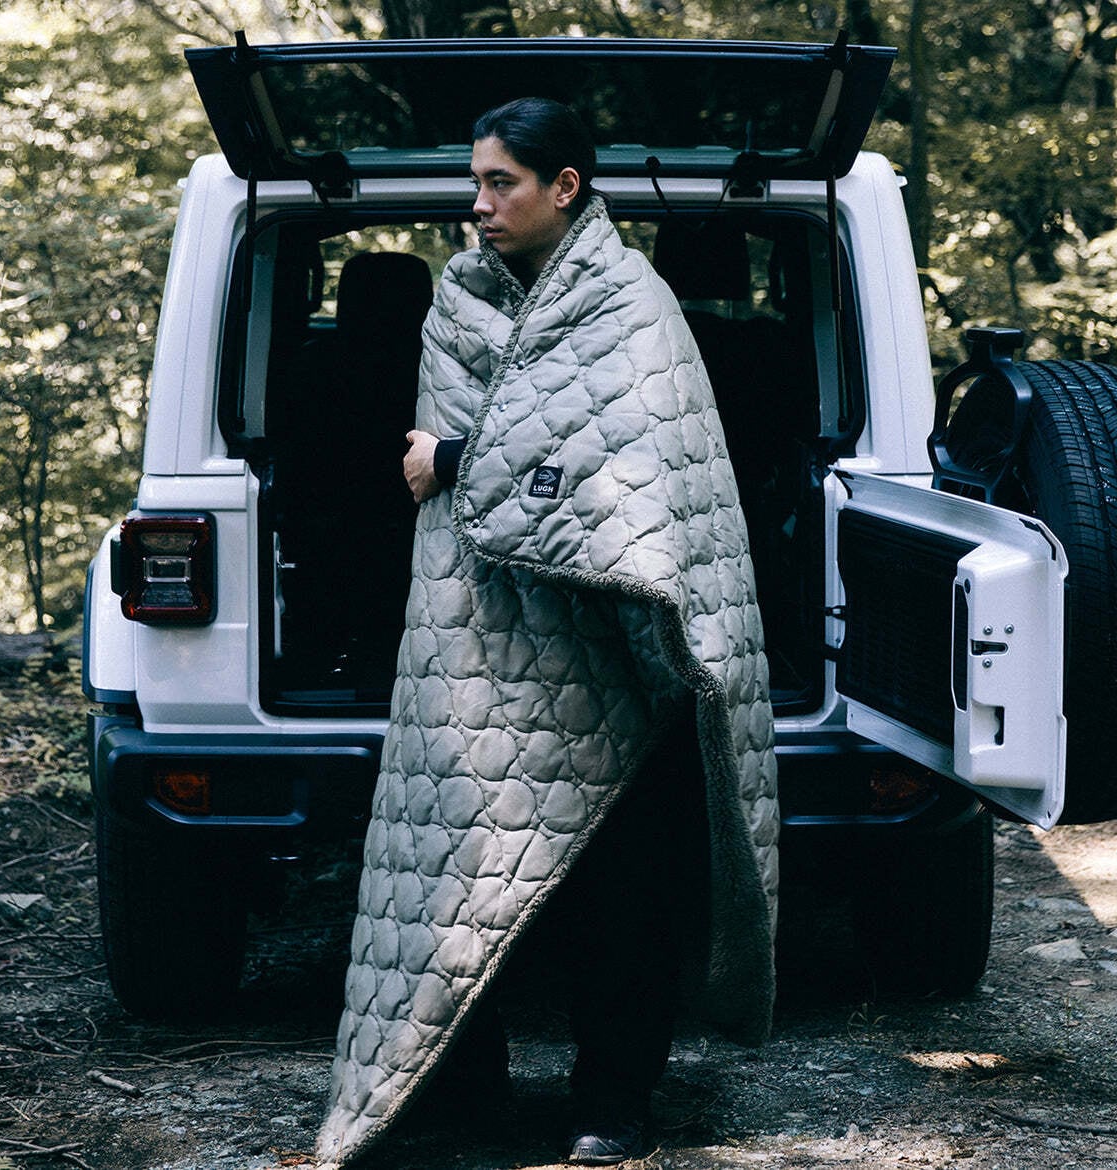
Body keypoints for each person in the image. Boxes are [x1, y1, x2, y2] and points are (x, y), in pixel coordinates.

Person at [316, 97, 779, 1169]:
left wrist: (459, 459)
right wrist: (467, 460)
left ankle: (614, 1099)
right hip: (479, 641)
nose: (478, 205)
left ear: (564, 187)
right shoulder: (457, 299)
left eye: (501, 183)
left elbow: (625, 465)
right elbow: (506, 453)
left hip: (611, 647)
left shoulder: (633, 303)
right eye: (476, 183)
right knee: (451, 870)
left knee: (620, 892)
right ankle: (454, 1091)